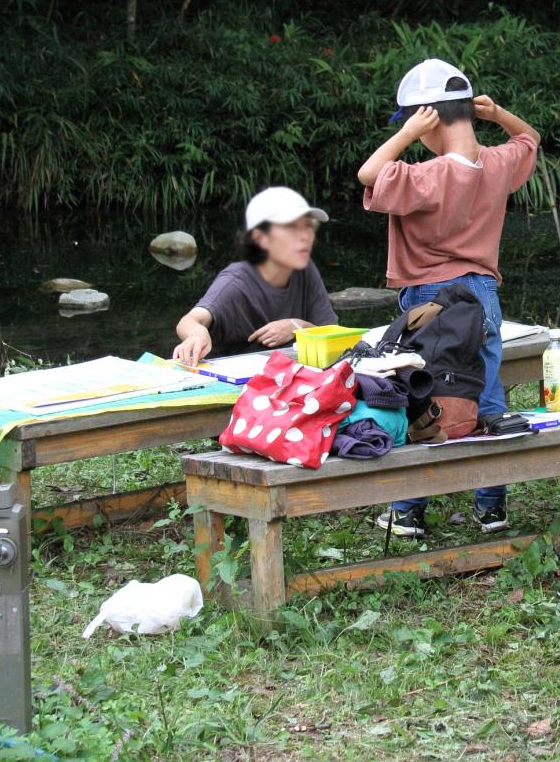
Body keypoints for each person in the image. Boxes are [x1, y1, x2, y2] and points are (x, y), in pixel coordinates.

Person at [359, 58, 540, 536]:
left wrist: (405, 133)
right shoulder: (497, 164)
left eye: (417, 124)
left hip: (432, 302)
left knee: (421, 398)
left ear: (429, 117)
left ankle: (407, 509)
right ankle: (492, 507)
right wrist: (497, 113)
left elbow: (369, 174)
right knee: (486, 393)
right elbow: (529, 140)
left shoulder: (426, 176)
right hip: (482, 296)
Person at [172, 187, 337, 365]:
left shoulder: (304, 270)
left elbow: (333, 334)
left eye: (308, 226)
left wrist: (299, 326)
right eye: (291, 227)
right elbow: (189, 320)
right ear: (260, 238)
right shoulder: (235, 283)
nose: (305, 236)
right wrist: (198, 334)